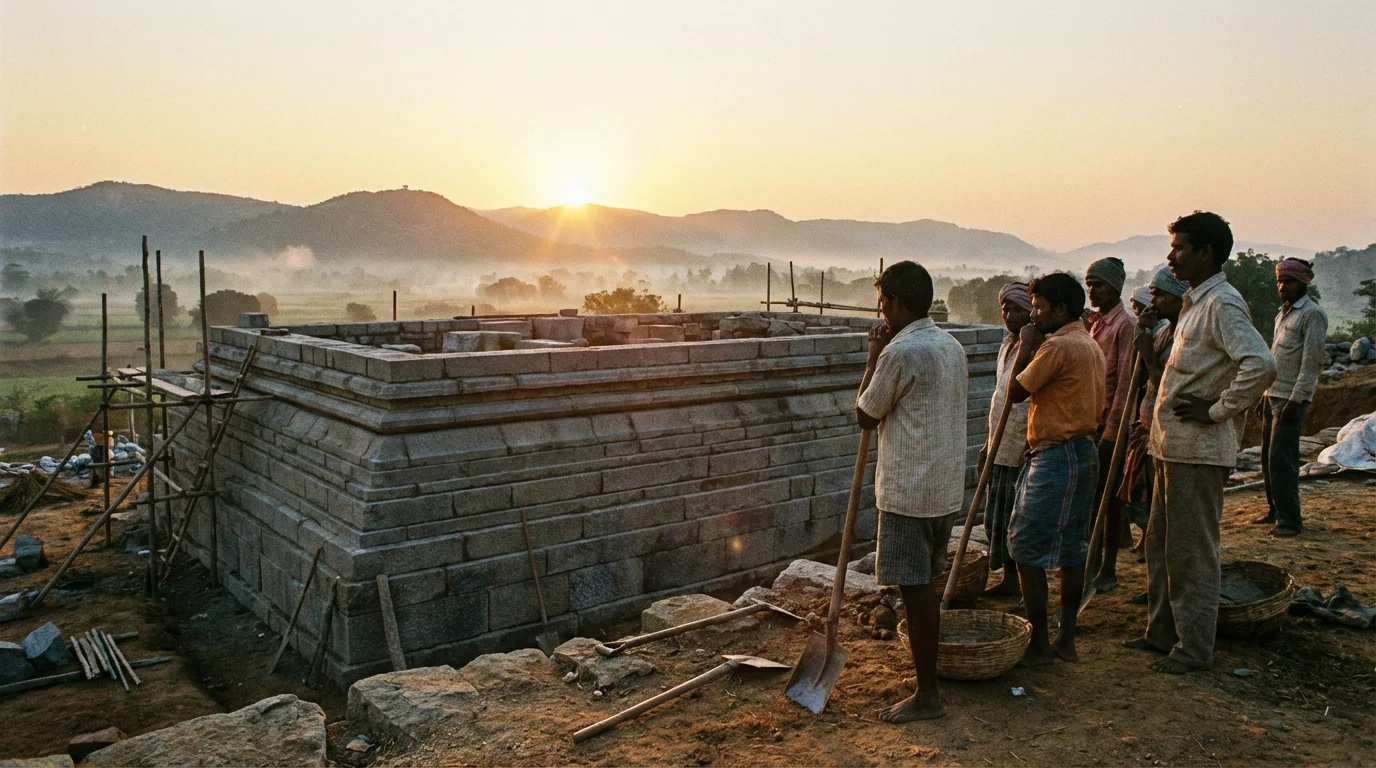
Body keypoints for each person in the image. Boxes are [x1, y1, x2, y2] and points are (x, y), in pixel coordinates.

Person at [1125, 211, 1276, 674]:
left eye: (1181, 248)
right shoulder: (1195, 302)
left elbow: (1261, 364)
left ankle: (1194, 649)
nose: (1172, 257)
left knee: (1192, 551)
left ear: (1206, 254)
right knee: (1162, 545)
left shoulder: (1222, 304)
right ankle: (1162, 633)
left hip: (1198, 450)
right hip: (1172, 446)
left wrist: (1215, 410)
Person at [855, 261, 968, 723]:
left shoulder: (898, 354)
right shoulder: (951, 344)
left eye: (883, 304)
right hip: (943, 489)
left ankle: (927, 695)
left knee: (916, 593)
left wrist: (871, 357)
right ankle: (929, 684)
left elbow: (866, 414)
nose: (881, 314)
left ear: (898, 304)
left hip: (909, 492)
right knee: (925, 589)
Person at [1005, 272, 1106, 665]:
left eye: (1040, 307)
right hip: (1080, 452)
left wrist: (1026, 347)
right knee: (1071, 549)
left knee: (1026, 547)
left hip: (1057, 455)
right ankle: (1065, 638)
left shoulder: (1059, 347)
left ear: (1061, 309)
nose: (1034, 315)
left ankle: (1041, 644)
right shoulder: (1087, 343)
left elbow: (1016, 392)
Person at [1118, 267, 1189, 604]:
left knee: (1165, 520)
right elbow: (1140, 375)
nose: (1153, 301)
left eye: (1160, 295)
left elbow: (1167, 385)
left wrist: (1147, 351)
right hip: (1148, 426)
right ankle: (1156, 588)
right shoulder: (1162, 332)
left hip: (1168, 433)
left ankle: (1168, 591)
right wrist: (1143, 337)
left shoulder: (1182, 336)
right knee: (1146, 508)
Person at [1255, 258, 1328, 537]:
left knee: (1281, 460)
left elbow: (1311, 364)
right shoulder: (1283, 314)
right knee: (1267, 458)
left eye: (1288, 281)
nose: (1282, 286)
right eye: (1280, 281)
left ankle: (1290, 520)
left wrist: (1296, 400)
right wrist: (1263, 394)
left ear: (1303, 282)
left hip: (1289, 398)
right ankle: (1275, 510)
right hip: (1272, 393)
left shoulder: (1312, 314)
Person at [1084, 257, 1137, 592]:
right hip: (1094, 422)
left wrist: (1113, 432)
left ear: (1115, 287)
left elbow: (1125, 383)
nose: (1092, 290)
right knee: (1095, 497)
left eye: (1098, 285)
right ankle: (1092, 562)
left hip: (1112, 427)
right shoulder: (1097, 324)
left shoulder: (1124, 326)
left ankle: (1108, 569)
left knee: (1111, 499)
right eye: (1089, 284)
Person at [981, 282, 1033, 598]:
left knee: (1015, 516)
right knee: (997, 515)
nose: (1008, 315)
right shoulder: (1007, 345)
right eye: (1005, 308)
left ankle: (1016, 582)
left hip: (1020, 445)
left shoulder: (1036, 346)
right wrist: (989, 444)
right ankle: (1008, 579)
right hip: (999, 442)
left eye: (1015, 309)